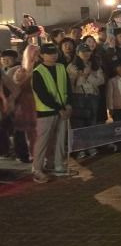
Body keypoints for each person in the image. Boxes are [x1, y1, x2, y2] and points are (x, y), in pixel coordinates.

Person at [31, 44, 73, 183]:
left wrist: (68, 105)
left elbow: (68, 87)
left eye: (54, 52)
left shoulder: (61, 67)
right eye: (49, 53)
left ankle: (56, 164)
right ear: (42, 55)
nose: (53, 55)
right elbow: (42, 94)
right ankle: (37, 169)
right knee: (43, 141)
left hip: (62, 109)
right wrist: (60, 108)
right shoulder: (37, 72)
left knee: (60, 138)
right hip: (45, 111)